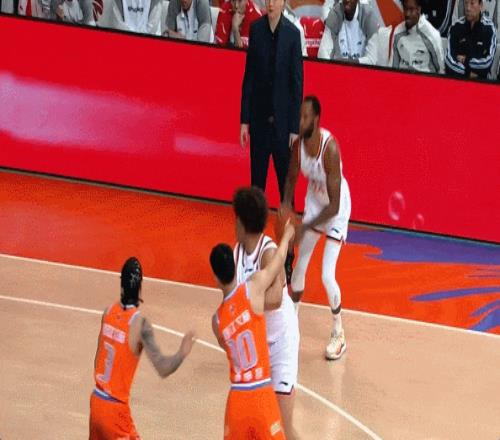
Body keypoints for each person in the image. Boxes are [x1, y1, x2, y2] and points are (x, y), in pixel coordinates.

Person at [89, 257, 196, 439]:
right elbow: (163, 368)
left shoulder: (107, 313)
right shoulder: (140, 324)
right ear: (140, 287)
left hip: (97, 402)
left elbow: (97, 361)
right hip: (116, 412)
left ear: (121, 284)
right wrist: (182, 353)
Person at [280, 96, 351, 361]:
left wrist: (305, 226)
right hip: (314, 203)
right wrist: (285, 206)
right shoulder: (298, 146)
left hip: (336, 211)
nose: (301, 121)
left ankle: (338, 333)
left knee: (326, 275)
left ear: (316, 119)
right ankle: (291, 326)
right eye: (300, 116)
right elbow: (290, 181)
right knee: (299, 269)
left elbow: (333, 205)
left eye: (306, 117)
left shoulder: (329, 149)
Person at [210, 220, 295, 440]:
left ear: (215, 278)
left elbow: (229, 348)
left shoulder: (217, 321)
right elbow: (277, 261)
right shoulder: (253, 291)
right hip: (261, 392)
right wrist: (286, 237)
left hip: (237, 398)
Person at [240, 0, 303, 284]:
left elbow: (296, 84)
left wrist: (294, 128)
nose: (271, 3)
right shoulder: (256, 30)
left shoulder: (292, 34)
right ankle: (251, 257)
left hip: (283, 130)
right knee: (256, 193)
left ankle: (288, 258)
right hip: (259, 124)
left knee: (286, 196)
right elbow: (249, 78)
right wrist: (244, 120)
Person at [232, 186, 299, 439]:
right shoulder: (237, 253)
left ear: (241, 222)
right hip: (257, 347)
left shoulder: (267, 251)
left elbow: (275, 297)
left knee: (281, 427)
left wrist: (245, 301)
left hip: (281, 342)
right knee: (260, 424)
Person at [358, 0, 445, 73]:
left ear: (419, 9)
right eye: (405, 8)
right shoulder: (397, 33)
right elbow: (393, 68)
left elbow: (441, 71)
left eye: (411, 9)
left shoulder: (432, 35)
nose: (407, 14)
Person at [445, 0, 497, 79]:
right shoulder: (455, 27)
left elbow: (487, 63)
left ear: (480, 5)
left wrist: (465, 60)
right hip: (457, 80)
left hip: (480, 82)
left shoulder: (489, 29)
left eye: (472, 3)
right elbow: (449, 61)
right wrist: (467, 73)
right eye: (466, 3)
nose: (468, 8)